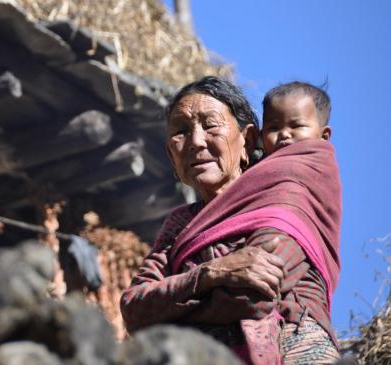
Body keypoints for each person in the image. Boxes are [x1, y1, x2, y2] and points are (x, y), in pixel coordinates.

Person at [120, 76, 342, 365]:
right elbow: (134, 308)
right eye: (181, 131)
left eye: (210, 125)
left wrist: (171, 309)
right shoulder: (181, 223)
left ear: (249, 140)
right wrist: (212, 272)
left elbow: (253, 296)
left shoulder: (286, 194)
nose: (196, 142)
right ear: (170, 155)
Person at [261, 81, 332, 155]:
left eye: (297, 126)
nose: (284, 134)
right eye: (273, 128)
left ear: (324, 136)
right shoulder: (259, 165)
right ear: (261, 136)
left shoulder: (322, 165)